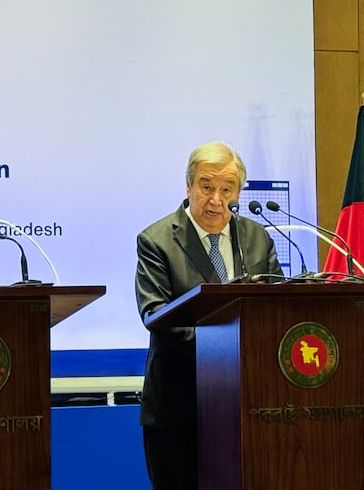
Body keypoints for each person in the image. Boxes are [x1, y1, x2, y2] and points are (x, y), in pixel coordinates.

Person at [134, 140, 282, 489]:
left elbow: (276, 305)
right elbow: (157, 314)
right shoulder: (156, 241)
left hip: (250, 407)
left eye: (227, 189)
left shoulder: (256, 237)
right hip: (179, 407)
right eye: (206, 187)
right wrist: (230, 350)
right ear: (189, 186)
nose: (216, 200)